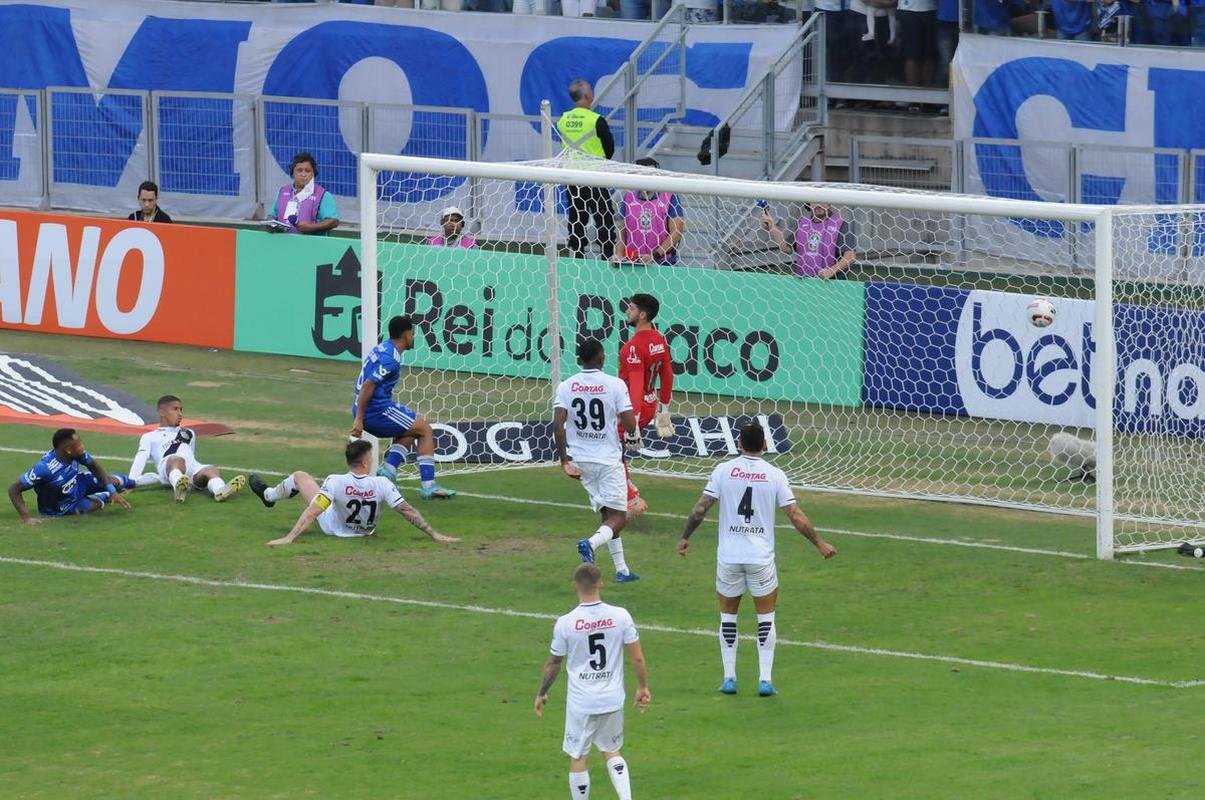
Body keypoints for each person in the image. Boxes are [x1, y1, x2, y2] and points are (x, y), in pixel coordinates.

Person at [677, 422, 836, 697]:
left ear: (739, 443)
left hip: (729, 557)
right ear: (764, 444)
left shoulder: (723, 470)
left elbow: (700, 509)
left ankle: (729, 678)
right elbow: (795, 514)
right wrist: (819, 543)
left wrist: (685, 537)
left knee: (728, 616)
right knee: (766, 617)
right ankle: (765, 680)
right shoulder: (775, 475)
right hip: (760, 557)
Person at [534, 563, 651, 800]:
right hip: (612, 698)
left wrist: (542, 692)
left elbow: (554, 663)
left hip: (582, 703)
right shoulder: (621, 616)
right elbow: (637, 657)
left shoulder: (566, 622)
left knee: (578, 756)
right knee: (612, 750)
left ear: (575, 585)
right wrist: (642, 686)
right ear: (601, 583)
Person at [250, 440, 459, 546]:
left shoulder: (335, 481)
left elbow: (313, 512)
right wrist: (434, 534)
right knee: (318, 491)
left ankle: (268, 496)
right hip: (366, 531)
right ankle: (271, 495)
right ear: (366, 463)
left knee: (300, 476)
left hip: (333, 527)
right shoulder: (383, 483)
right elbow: (406, 510)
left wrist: (289, 538)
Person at [554, 337, 641, 582]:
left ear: (579, 359)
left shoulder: (566, 386)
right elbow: (629, 424)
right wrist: (630, 428)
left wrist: (564, 461)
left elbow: (558, 426)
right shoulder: (615, 385)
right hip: (608, 460)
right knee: (619, 517)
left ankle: (622, 571)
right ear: (602, 358)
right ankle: (590, 544)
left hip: (580, 461)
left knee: (607, 515)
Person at [350, 315, 456, 499]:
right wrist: (359, 419)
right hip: (376, 411)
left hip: (369, 407)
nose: (413, 337)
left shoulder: (383, 347)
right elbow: (368, 385)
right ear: (406, 334)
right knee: (425, 430)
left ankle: (388, 471)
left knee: (411, 428)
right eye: (412, 334)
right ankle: (429, 486)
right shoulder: (391, 359)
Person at [128, 394, 246, 503]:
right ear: (162, 412)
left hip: (190, 469)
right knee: (177, 459)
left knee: (211, 469)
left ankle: (220, 491)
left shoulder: (188, 433)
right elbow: (141, 457)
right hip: (168, 468)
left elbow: (191, 456)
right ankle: (178, 487)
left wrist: (193, 475)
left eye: (181, 410)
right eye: (175, 409)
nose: (180, 413)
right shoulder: (149, 437)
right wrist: (130, 482)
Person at [618, 294, 674, 517]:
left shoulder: (633, 347)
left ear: (642, 315)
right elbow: (667, 375)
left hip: (633, 406)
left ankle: (630, 497)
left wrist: (632, 424)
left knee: (610, 447)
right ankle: (626, 486)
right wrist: (664, 410)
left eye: (631, 308)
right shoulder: (659, 340)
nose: (627, 311)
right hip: (650, 403)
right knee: (614, 446)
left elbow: (636, 385)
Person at [9, 428, 134, 524]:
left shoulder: (77, 454)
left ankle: (136, 482)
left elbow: (93, 466)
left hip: (77, 483)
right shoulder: (45, 468)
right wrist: (26, 518)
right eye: (79, 444)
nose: (82, 447)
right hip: (62, 506)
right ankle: (104, 496)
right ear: (68, 450)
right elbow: (14, 489)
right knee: (95, 505)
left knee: (114, 482)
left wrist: (112, 490)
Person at [557, 79, 617, 260]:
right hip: (594, 177)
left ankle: (577, 256)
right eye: (590, 89)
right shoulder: (596, 120)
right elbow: (609, 148)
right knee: (604, 217)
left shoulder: (564, 119)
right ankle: (607, 255)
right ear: (588, 95)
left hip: (573, 178)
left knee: (576, 217)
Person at [611, 157, 685, 266]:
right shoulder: (628, 197)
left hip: (663, 262)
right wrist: (619, 254)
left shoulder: (669, 197)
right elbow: (622, 231)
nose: (649, 178)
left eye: (652, 174)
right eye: (644, 174)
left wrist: (654, 256)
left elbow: (676, 233)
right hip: (633, 262)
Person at [761, 202, 858, 279]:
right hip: (804, 282)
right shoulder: (803, 223)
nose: (818, 204)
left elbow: (850, 256)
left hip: (832, 283)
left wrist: (831, 271)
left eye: (822, 200)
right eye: (814, 201)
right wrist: (771, 227)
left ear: (829, 204)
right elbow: (786, 249)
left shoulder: (840, 224)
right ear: (809, 204)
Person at [270, 151, 339, 235]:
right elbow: (272, 215)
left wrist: (311, 227)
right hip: (283, 241)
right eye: (299, 170)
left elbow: (333, 221)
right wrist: (270, 223)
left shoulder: (323, 195)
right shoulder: (282, 191)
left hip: (311, 242)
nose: (303, 174)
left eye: (308, 171)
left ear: (313, 174)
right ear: (293, 173)